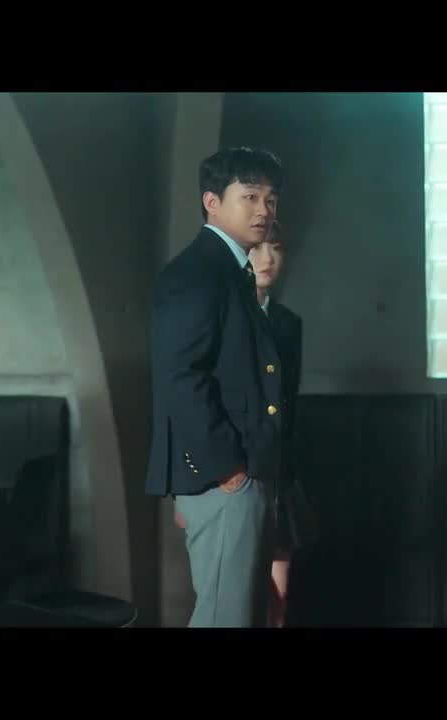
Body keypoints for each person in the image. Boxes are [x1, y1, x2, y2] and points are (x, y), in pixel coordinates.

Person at [147, 146, 286, 627]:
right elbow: (180, 375)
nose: (264, 210)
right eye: (250, 197)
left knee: (242, 614)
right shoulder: (198, 272)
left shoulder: (231, 271)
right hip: (224, 476)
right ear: (212, 201)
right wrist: (226, 467)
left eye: (271, 199)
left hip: (245, 471)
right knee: (226, 617)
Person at [247, 219, 318, 627]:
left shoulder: (288, 322)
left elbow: (289, 401)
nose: (268, 259)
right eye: (258, 248)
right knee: (236, 590)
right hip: (233, 468)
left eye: (276, 248)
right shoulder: (221, 315)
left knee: (279, 592)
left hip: (279, 469)